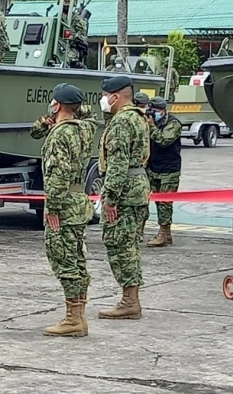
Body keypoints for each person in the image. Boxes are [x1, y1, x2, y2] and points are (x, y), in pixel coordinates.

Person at [41, 83, 98, 337]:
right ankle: (79, 316)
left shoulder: (60, 134)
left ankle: (73, 318)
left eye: (54, 101)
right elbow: (90, 115)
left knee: (64, 261)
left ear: (58, 105)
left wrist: (52, 207)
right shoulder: (84, 128)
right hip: (78, 200)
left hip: (63, 204)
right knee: (77, 259)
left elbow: (59, 173)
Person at [97, 75, 150, 320]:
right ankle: (131, 299)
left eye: (106, 96)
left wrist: (110, 198)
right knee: (129, 245)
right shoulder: (137, 117)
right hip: (137, 187)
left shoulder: (121, 122)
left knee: (120, 246)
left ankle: (129, 301)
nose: (103, 100)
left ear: (115, 96)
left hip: (125, 191)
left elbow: (118, 163)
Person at [145, 96, 182, 248]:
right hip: (154, 167)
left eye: (156, 111)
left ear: (163, 110)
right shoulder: (151, 122)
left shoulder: (173, 123)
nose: (153, 113)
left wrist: (151, 126)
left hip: (169, 169)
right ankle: (166, 234)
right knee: (158, 201)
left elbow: (163, 140)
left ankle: (163, 233)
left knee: (165, 202)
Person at [62, 0, 88, 68]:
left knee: (72, 61)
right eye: (65, 2)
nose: (66, 4)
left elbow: (82, 34)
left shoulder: (77, 18)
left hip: (72, 46)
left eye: (68, 2)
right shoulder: (57, 17)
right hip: (60, 44)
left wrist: (74, 38)